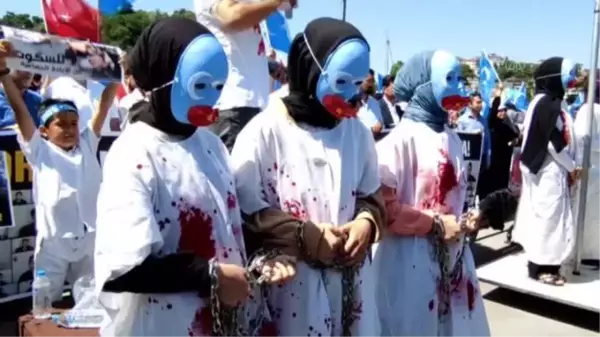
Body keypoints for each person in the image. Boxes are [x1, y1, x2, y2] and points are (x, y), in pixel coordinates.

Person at [93, 18, 295, 337]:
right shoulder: (133, 153)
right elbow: (125, 268)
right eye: (200, 86)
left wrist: (260, 260)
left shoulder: (211, 144)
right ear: (161, 80)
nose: (210, 101)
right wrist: (210, 277)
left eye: (218, 88)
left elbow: (229, 227)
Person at [232, 17, 385, 337]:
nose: (353, 97)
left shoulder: (357, 134)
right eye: (342, 82)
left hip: (349, 289)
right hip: (288, 293)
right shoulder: (265, 132)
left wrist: (366, 223)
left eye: (358, 85)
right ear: (311, 71)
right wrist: (305, 235)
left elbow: (372, 196)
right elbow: (243, 213)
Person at [374, 50, 490, 337]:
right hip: (408, 263)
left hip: (454, 258)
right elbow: (385, 210)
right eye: (448, 78)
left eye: (458, 78)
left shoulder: (451, 137)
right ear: (423, 84)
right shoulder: (396, 144)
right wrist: (435, 225)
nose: (457, 86)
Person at [0, 40, 117, 302]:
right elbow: (20, 109)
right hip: (53, 245)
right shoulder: (39, 150)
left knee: (90, 304)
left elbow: (105, 104)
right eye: (60, 124)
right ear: (43, 130)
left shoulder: (87, 143)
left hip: (88, 240)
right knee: (43, 305)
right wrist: (4, 74)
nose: (69, 129)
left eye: (74, 123)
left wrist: (115, 71)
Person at [513, 57, 580, 286]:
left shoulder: (551, 101)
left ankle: (546, 264)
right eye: (569, 75)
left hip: (551, 171)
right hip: (548, 170)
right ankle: (542, 268)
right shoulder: (546, 104)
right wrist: (572, 167)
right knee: (548, 220)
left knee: (548, 218)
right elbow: (553, 144)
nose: (573, 80)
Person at [195, 0, 292, 150]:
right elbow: (233, 17)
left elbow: (237, 50)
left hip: (253, 106)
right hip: (233, 109)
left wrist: (270, 66)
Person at [574, 69, 600, 267]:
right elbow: (583, 140)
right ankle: (588, 254)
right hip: (590, 168)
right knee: (590, 215)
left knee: (592, 215)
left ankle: (591, 253)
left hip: (592, 168)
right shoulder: (588, 110)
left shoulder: (588, 109)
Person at [457, 92, 492, 199]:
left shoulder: (483, 121)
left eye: (481, 102)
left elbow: (487, 140)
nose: (480, 105)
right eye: (477, 102)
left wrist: (488, 157)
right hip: (467, 160)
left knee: (478, 186)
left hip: (481, 159)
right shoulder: (462, 120)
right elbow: (458, 140)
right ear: (470, 104)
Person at [486, 94, 520, 193]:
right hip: (495, 161)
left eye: (504, 110)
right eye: (500, 111)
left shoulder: (507, 124)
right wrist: (498, 96)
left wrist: (516, 140)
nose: (503, 113)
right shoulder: (493, 123)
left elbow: (515, 135)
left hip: (505, 161)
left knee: (502, 186)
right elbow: (493, 112)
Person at [357, 69, 385, 139]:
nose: (371, 84)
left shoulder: (374, 102)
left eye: (372, 81)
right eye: (369, 81)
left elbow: (380, 121)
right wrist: (371, 130)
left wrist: (379, 124)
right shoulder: (352, 104)